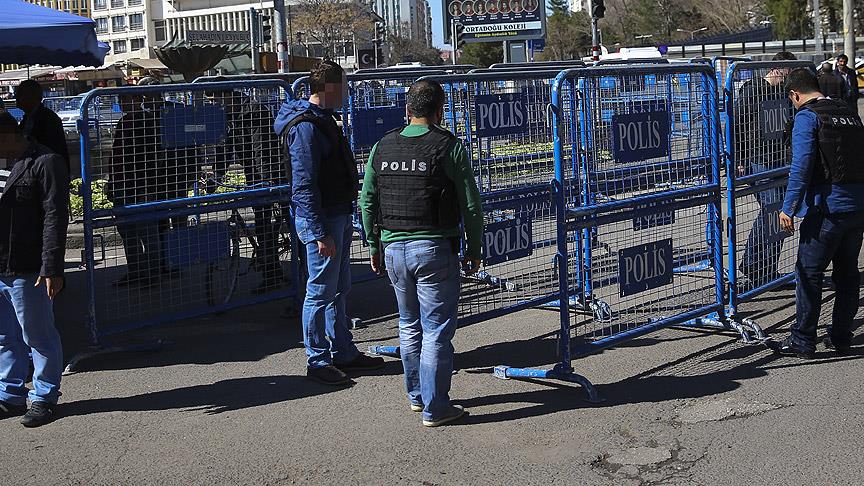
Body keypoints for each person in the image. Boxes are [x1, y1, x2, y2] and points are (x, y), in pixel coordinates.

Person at [359, 80, 483, 427]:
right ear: (440, 110)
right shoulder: (449, 146)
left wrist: (373, 245)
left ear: (407, 109)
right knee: (436, 331)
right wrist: (474, 249)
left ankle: (417, 396)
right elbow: (471, 205)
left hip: (393, 248)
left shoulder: (382, 146)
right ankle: (435, 406)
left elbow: (367, 201)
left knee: (408, 325)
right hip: (433, 248)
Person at [273, 60, 384, 386]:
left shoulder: (320, 120)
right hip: (323, 218)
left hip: (334, 213)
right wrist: (320, 231)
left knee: (337, 289)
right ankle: (318, 359)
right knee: (321, 291)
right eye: (345, 86)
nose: (348, 93)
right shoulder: (307, 127)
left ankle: (342, 351)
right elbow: (304, 184)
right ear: (332, 88)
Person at [772, 68, 864, 359]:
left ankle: (802, 340)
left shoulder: (807, 117)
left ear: (794, 94)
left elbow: (801, 166)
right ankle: (841, 337)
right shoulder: (848, 112)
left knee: (808, 273)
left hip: (827, 208)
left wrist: (788, 208)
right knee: (848, 275)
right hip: (857, 206)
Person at [0, 112, 69, 427]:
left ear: (8, 135)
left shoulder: (45, 161)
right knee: (4, 337)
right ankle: (10, 394)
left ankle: (44, 397)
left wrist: (52, 267)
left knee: (38, 335)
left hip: (28, 267)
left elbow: (56, 216)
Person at [206, 85, 284, 293]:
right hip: (253, 173)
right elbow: (224, 148)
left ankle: (289, 271)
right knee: (262, 224)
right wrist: (216, 177)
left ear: (227, 95)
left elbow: (262, 148)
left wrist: (266, 180)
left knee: (275, 221)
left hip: (273, 172)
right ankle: (271, 272)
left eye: (216, 100)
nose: (215, 104)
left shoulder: (254, 110)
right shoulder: (227, 116)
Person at [734, 51, 796, 290]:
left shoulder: (783, 93)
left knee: (780, 213)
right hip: (758, 159)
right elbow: (736, 125)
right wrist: (739, 159)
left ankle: (767, 269)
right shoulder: (753, 90)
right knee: (772, 209)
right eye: (790, 71)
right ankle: (752, 264)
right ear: (780, 69)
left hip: (779, 159)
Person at [107, 82, 164, 287]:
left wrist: (147, 187)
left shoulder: (145, 122)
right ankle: (136, 271)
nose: (121, 102)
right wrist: (112, 182)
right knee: (128, 232)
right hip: (123, 184)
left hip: (139, 186)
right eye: (120, 99)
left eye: (125, 98)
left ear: (136, 99)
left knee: (147, 232)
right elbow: (117, 156)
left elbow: (151, 158)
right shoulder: (125, 122)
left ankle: (151, 273)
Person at [15, 80, 70, 169]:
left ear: (31, 96)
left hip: (46, 169)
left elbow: (51, 149)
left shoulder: (47, 118)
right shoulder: (28, 118)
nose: (16, 98)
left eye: (20, 94)